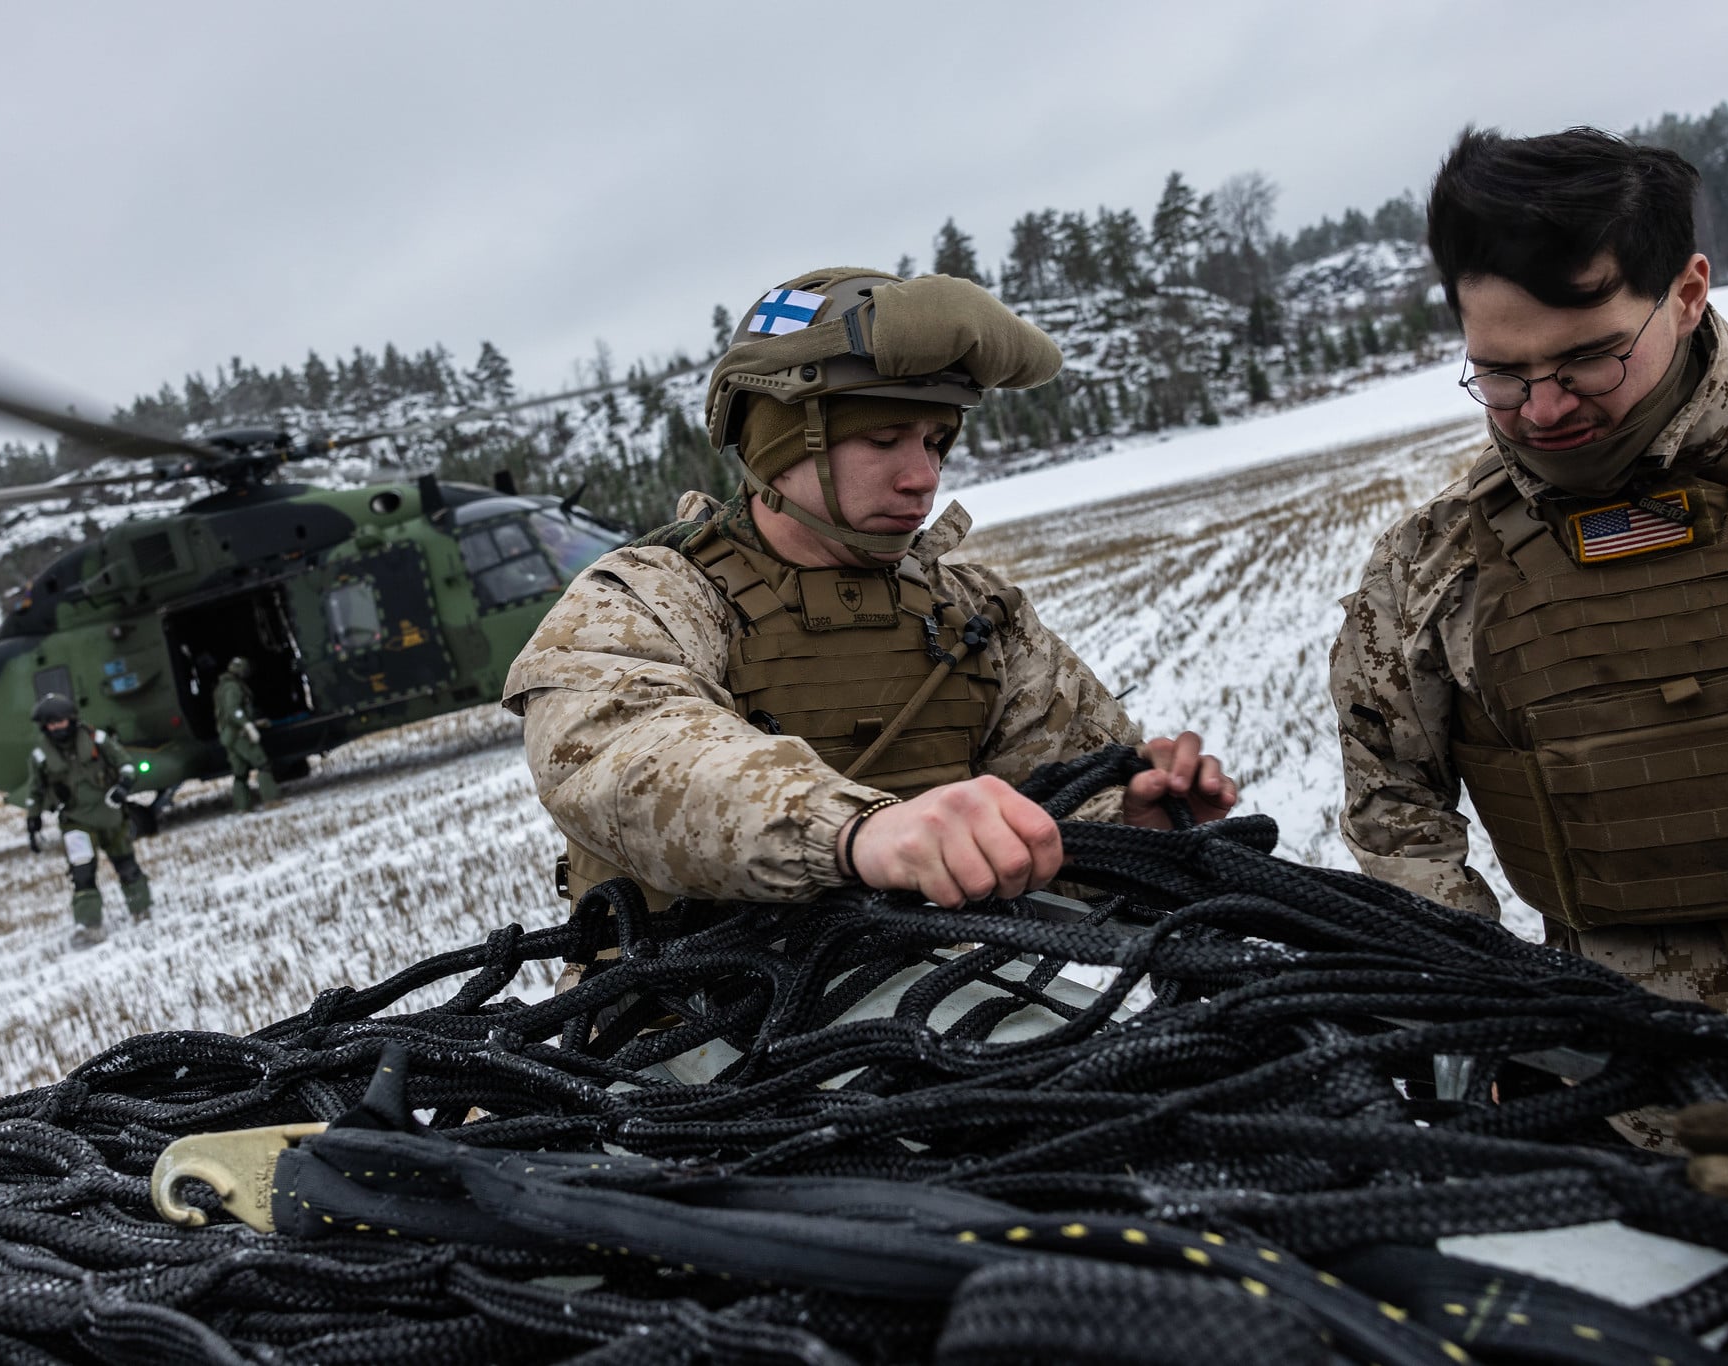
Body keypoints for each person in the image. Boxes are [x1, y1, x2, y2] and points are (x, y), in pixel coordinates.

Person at [1329, 127, 1728, 1067]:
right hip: (1622, 1096)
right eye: (1500, 374)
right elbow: (1395, 818)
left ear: (1687, 294)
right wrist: (1490, 1027)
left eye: (1590, 359)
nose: (1544, 410)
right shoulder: (1429, 569)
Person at [505, 266, 1237, 941]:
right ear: (779, 444)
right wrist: (859, 833)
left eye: (936, 440)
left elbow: (1050, 803)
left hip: (939, 993)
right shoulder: (647, 599)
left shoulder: (974, 613)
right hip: (685, 1013)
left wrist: (1126, 826)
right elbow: (629, 759)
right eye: (883, 438)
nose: (923, 476)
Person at [22, 692, 152, 949]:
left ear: (71, 719)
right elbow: (34, 791)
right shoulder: (40, 755)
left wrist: (124, 786)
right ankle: (89, 926)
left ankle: (141, 909)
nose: (57, 728)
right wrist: (33, 820)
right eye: (51, 724)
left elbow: (126, 764)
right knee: (82, 874)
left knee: (126, 865)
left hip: (110, 815)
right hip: (75, 821)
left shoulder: (96, 739)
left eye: (60, 721)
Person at [213, 656, 278, 813]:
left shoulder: (222, 687)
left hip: (228, 735)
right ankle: (271, 800)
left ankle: (242, 807)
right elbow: (233, 710)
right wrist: (248, 725)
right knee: (262, 764)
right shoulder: (233, 687)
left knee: (240, 773)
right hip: (239, 734)